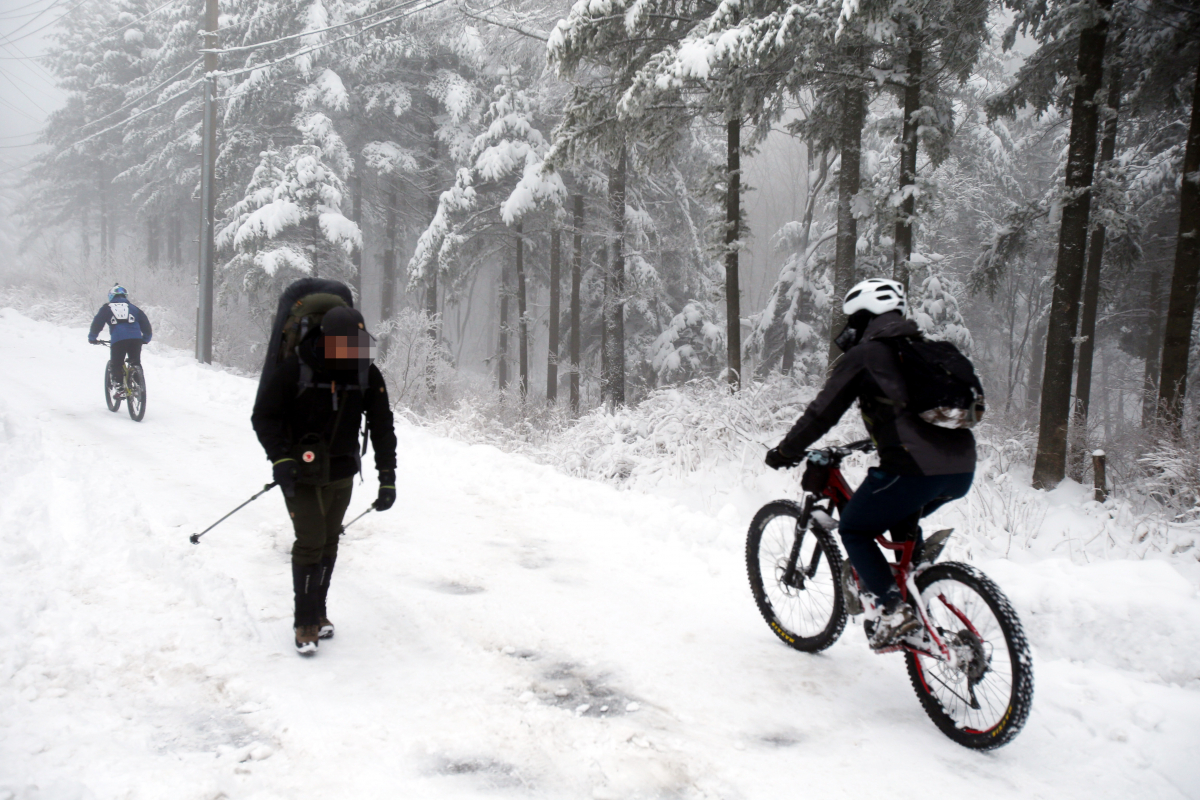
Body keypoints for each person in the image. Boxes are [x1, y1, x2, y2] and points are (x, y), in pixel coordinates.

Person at [765, 278, 976, 648]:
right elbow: (909, 412)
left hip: (912, 471)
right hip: (960, 471)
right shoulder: (923, 350)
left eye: (853, 320)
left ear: (864, 317)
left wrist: (786, 450)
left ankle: (893, 612)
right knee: (896, 516)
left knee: (854, 528)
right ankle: (915, 584)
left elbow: (822, 412)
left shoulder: (867, 355)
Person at [251, 306, 398, 656]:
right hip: (301, 472)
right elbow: (264, 416)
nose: (354, 352)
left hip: (343, 471)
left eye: (357, 344)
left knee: (330, 539)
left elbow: (382, 426)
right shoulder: (296, 368)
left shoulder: (367, 372)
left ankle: (319, 611)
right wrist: (281, 459)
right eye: (346, 345)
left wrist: (387, 477)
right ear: (328, 341)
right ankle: (305, 621)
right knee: (311, 539)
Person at [88, 285, 153, 389]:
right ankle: (138, 385)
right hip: (136, 339)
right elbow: (145, 324)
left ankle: (119, 386)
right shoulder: (134, 308)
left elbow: (97, 324)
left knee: (117, 363)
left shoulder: (107, 308)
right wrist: (146, 339)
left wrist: (92, 338)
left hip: (118, 339)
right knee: (135, 361)